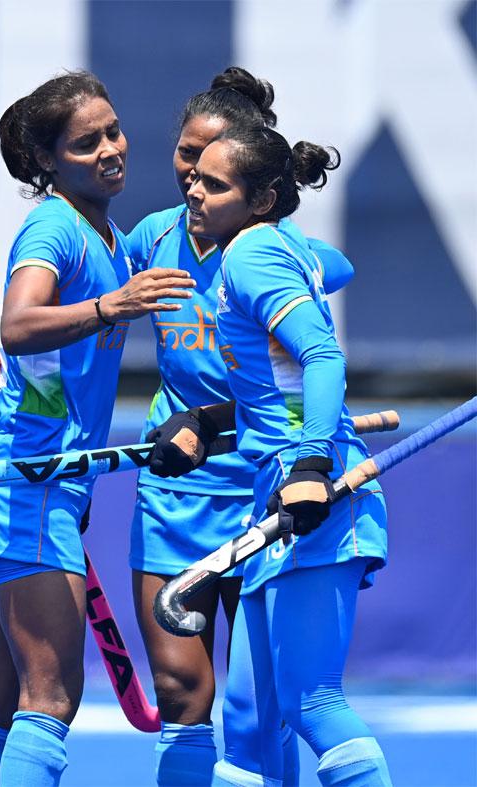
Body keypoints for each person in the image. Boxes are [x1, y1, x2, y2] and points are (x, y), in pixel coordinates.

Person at [0, 70, 196, 787]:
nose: (113, 148)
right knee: (50, 697)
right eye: (88, 143)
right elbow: (18, 322)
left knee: (3, 699)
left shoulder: (107, 232)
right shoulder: (55, 225)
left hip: (44, 485)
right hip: (28, 484)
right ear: (49, 160)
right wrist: (112, 306)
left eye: (114, 131)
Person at [126, 67, 355, 786]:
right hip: (177, 484)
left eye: (213, 164)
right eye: (186, 155)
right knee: (182, 694)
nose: (193, 177)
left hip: (261, 482)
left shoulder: (258, 248)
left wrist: (282, 255)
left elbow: (333, 279)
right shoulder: (150, 237)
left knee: (264, 706)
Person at [179, 125, 390, 786]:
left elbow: (322, 356)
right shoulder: (276, 243)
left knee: (313, 704)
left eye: (214, 184)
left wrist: (308, 463)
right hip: (274, 497)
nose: (194, 189)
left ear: (264, 195)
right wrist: (208, 425)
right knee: (244, 719)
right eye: (194, 176)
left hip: (316, 498)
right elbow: (336, 271)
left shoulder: (251, 255)